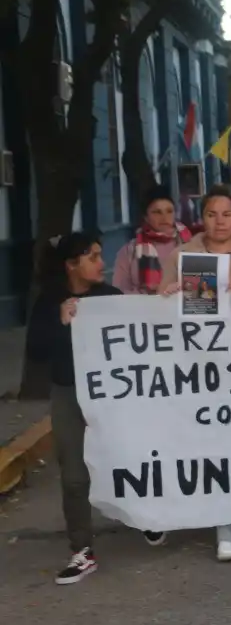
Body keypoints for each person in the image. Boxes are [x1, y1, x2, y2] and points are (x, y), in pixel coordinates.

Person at [160, 186, 231, 562]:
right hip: (196, 367)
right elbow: (155, 313)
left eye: (227, 214)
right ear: (201, 217)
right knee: (206, 443)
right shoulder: (182, 256)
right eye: (211, 214)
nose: (219, 221)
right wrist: (169, 294)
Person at [31, 234, 132, 584]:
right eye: (92, 256)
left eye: (100, 255)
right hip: (69, 394)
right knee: (74, 473)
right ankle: (82, 549)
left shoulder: (112, 298)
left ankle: (148, 518)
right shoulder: (48, 303)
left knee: (130, 458)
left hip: (114, 395)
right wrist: (60, 323)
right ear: (71, 265)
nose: (100, 262)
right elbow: (36, 354)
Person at [111, 187, 192, 295]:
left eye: (169, 211)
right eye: (157, 212)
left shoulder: (190, 244)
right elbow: (119, 292)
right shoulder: (129, 251)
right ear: (146, 217)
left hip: (183, 307)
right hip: (144, 309)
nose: (164, 217)